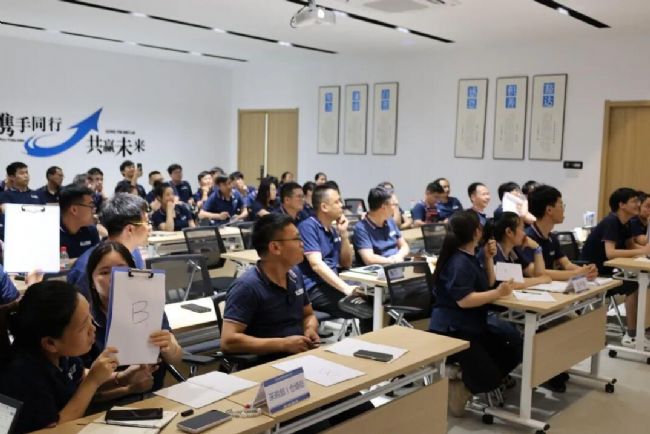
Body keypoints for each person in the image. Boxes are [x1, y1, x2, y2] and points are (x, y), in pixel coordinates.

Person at [428, 210, 519, 417]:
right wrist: (497, 293)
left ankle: (467, 379)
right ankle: (457, 377)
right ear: (476, 231)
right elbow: (465, 300)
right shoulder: (458, 262)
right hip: (453, 330)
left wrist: (488, 258)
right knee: (490, 377)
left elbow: (487, 284)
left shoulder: (471, 255)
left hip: (473, 324)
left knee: (514, 348)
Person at [0, 281, 118, 433]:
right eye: (83, 326)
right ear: (50, 343)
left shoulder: (61, 354)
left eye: (90, 316)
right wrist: (92, 382)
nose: (93, 328)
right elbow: (55, 429)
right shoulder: (23, 376)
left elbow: (79, 380)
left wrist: (123, 379)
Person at [85, 241, 181, 391]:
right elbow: (81, 382)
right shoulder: (84, 319)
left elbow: (176, 358)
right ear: (92, 281)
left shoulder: (150, 306)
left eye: (121, 270)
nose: (114, 277)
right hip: (109, 401)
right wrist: (126, 386)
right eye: (104, 272)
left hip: (155, 394)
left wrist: (169, 348)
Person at [221, 214, 319, 360]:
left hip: (299, 355)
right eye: (297, 238)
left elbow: (308, 314)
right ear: (275, 247)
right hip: (264, 362)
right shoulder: (246, 286)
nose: (302, 243)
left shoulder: (295, 274)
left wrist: (310, 329)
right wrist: (283, 344)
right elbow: (228, 341)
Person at [581, 188, 650, 347]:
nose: (638, 204)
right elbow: (610, 253)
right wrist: (642, 251)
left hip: (610, 270)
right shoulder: (611, 221)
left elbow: (630, 245)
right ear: (622, 205)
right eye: (634, 201)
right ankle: (632, 335)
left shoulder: (627, 222)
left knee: (643, 282)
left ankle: (642, 329)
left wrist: (643, 252)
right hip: (594, 272)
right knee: (633, 285)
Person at [298, 185, 370, 329]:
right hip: (314, 288)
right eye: (337, 202)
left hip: (332, 283)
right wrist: (346, 288)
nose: (341, 205)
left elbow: (346, 263)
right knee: (367, 310)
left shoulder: (332, 229)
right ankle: (370, 342)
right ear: (324, 207)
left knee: (376, 299)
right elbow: (316, 265)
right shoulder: (308, 227)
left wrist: (343, 234)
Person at [67, 193, 149, 299]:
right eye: (147, 223)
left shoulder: (135, 252)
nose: (149, 228)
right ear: (130, 229)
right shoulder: (85, 268)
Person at [526, 185, 598, 280]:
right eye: (561, 205)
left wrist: (586, 271)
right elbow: (535, 272)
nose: (563, 210)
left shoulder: (552, 237)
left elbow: (566, 264)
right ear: (549, 210)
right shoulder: (527, 238)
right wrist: (576, 273)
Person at [484, 212, 550, 288]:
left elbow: (538, 274)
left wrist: (537, 248)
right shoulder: (494, 251)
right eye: (522, 229)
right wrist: (540, 280)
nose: (524, 234)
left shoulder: (513, 251)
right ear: (509, 232)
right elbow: (511, 283)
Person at [353, 187, 409, 265]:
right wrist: (392, 261)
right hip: (381, 268)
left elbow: (404, 246)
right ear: (383, 207)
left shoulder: (390, 221)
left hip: (397, 263)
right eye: (394, 205)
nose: (396, 208)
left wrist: (399, 256)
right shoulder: (361, 228)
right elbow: (369, 259)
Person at [0, 162, 45, 241]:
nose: (26, 175)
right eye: (21, 173)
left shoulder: (38, 194)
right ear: (12, 177)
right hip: (12, 237)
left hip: (36, 236)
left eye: (27, 172)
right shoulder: (4, 195)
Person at [59, 184, 100, 259]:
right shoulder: (50, 234)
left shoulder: (91, 230)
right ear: (74, 210)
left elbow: (97, 260)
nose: (94, 210)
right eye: (91, 205)